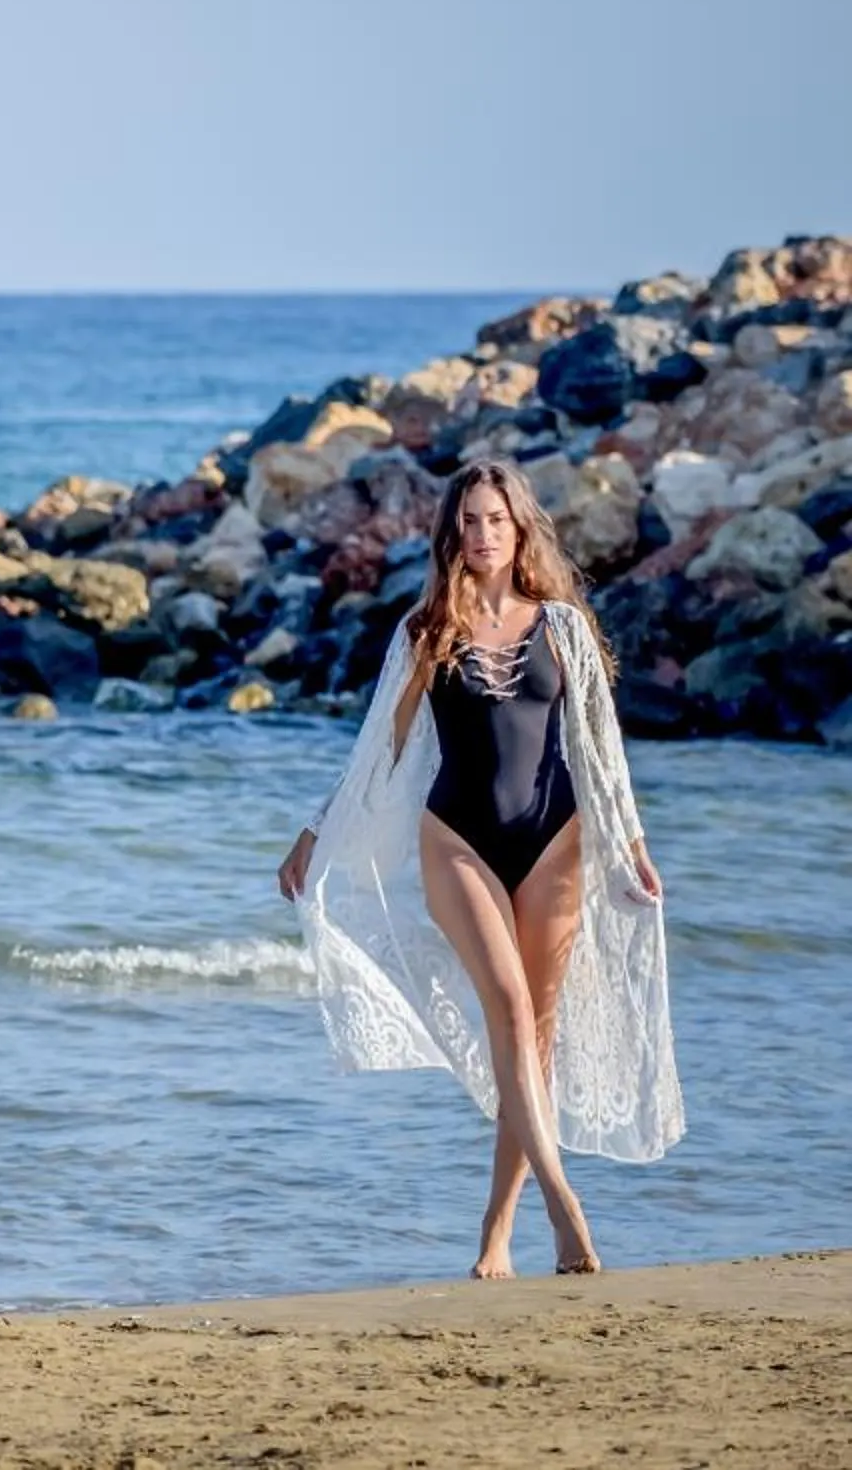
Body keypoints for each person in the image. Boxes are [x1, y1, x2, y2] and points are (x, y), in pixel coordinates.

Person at [274, 457, 682, 1278]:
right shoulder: (427, 630)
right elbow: (377, 750)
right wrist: (318, 830)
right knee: (505, 1008)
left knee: (533, 1036)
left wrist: (633, 846)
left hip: (556, 839)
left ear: (520, 527)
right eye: (469, 521)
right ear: (451, 533)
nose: (483, 534)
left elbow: (602, 751)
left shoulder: (561, 626)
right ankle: (567, 1211)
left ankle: (496, 1236)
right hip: (455, 835)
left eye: (496, 519)